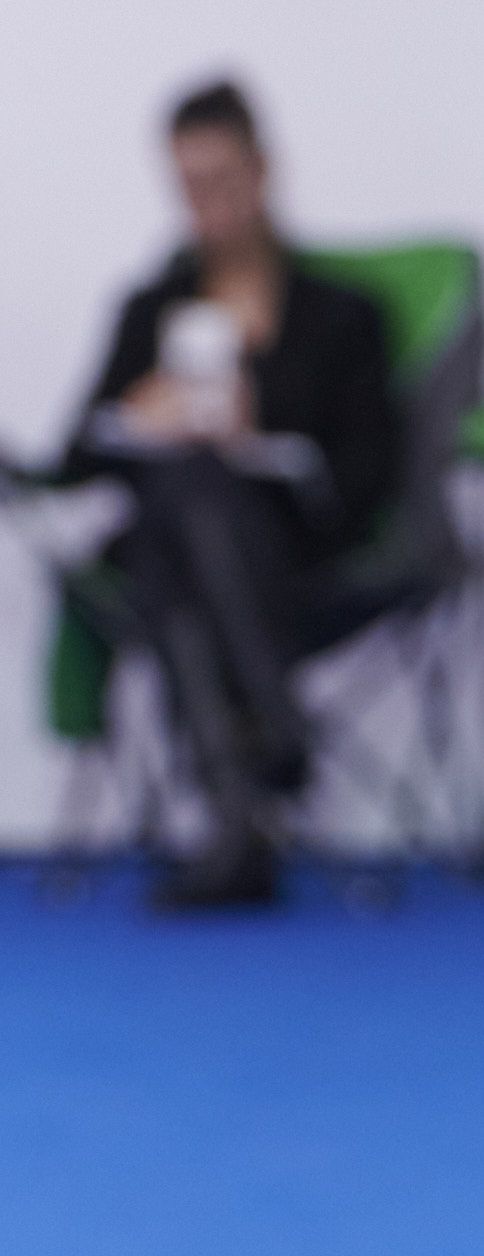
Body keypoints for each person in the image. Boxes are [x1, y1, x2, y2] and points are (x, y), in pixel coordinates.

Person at [65, 78, 398, 911]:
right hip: (171, 544)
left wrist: (260, 418)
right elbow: (79, 454)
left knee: (189, 515)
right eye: (188, 186)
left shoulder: (340, 316)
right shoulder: (151, 310)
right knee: (181, 495)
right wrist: (143, 408)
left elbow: (371, 469)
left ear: (263, 170)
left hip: (295, 548)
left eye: (221, 180)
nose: (206, 205)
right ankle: (274, 727)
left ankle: (233, 811)